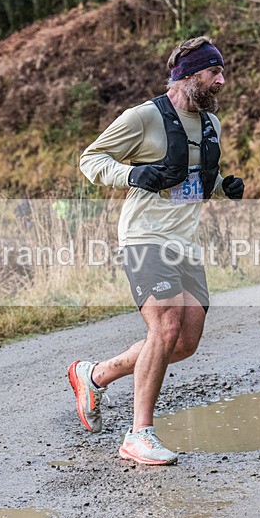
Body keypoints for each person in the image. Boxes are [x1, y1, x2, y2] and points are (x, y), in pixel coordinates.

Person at [73, 36, 244, 466]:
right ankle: (138, 435)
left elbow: (199, 177)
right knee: (165, 326)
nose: (221, 80)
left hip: (185, 243)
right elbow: (91, 160)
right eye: (214, 72)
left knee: (183, 343)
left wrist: (225, 187)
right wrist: (135, 175)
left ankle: (95, 375)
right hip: (144, 237)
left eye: (222, 72)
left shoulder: (211, 125)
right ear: (188, 75)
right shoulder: (145, 116)